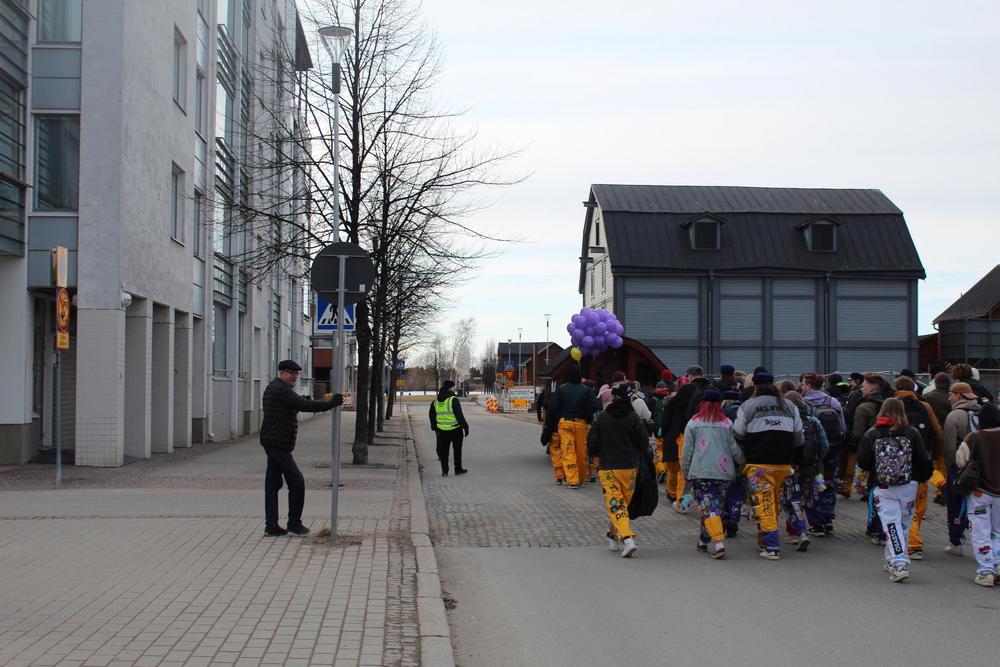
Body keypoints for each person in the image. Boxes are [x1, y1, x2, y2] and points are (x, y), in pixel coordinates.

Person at [260, 360, 343, 537]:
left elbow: (287, 408)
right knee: (297, 482)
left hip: (274, 441)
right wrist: (331, 403)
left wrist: (301, 402)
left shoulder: (274, 388)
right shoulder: (281, 390)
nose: (294, 377)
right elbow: (306, 406)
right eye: (291, 373)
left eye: (296, 374)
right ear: (282, 373)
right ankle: (294, 523)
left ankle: (271, 526)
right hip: (278, 444)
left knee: (272, 485)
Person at [857, 398, 933, 583]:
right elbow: (924, 459)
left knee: (891, 524)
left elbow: (863, 461)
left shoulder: (873, 433)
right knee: (903, 524)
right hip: (909, 484)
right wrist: (923, 477)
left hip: (883, 486)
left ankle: (899, 562)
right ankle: (892, 559)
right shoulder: (911, 432)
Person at [733, 372, 806, 560]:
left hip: (758, 464)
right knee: (774, 501)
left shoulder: (747, 406)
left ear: (755, 386)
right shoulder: (789, 406)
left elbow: (738, 433)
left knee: (765, 504)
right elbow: (799, 437)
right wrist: (796, 460)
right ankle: (768, 539)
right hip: (783, 464)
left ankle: (772, 546)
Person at [682, 388, 745, 559]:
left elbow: (687, 450)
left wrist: (685, 470)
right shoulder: (727, 424)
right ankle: (703, 541)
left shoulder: (694, 423)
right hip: (724, 473)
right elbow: (734, 449)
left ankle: (718, 543)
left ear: (702, 404)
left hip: (701, 472)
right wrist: (741, 463)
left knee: (709, 508)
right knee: (713, 507)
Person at [587, 384, 648, 558]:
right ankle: (613, 536)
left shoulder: (603, 417)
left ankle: (627, 538)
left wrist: (595, 455)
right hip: (630, 468)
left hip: (608, 467)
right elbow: (643, 440)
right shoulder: (633, 417)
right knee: (622, 505)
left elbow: (592, 440)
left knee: (616, 504)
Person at [892, 376, 944, 560]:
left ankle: (906, 542)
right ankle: (913, 540)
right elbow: (937, 432)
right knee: (917, 505)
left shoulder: (891, 405)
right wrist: (934, 456)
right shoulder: (925, 406)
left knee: (895, 505)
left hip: (895, 463)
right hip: (921, 461)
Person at [955, 403, 1000, 586]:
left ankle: (986, 570)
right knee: (998, 531)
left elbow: (960, 460)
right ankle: (998, 562)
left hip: (980, 492)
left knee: (981, 531)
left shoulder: (974, 437)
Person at [660, 365, 712, 511]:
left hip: (685, 433)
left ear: (690, 376)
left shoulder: (686, 390)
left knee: (684, 467)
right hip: (708, 434)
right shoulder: (711, 389)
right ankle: (704, 502)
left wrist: (665, 432)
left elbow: (671, 411)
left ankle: (682, 502)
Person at [799, 373, 845, 536]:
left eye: (803, 384)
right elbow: (842, 427)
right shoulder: (833, 401)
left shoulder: (804, 403)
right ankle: (828, 518)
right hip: (833, 448)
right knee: (829, 482)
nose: (802, 387)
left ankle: (816, 522)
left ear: (808, 385)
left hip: (814, 451)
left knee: (812, 483)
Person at [942, 381, 984, 555]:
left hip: (960, 465)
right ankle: (983, 541)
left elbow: (949, 446)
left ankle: (956, 540)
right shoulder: (981, 412)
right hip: (981, 466)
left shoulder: (954, 416)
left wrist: (950, 466)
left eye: (951, 394)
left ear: (959, 395)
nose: (949, 397)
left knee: (955, 502)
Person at [783, 391, 829, 546]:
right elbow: (824, 445)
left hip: (791, 467)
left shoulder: (786, 420)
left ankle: (795, 532)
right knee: (802, 499)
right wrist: (817, 460)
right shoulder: (813, 420)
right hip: (810, 468)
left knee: (789, 499)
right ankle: (802, 530)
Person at [544, 364, 601, 488]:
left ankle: (572, 480)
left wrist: (559, 415)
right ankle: (582, 478)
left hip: (565, 423)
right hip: (581, 424)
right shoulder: (586, 390)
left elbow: (552, 406)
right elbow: (596, 405)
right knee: (581, 452)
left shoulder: (562, 389)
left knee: (568, 451)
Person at [429, 380, 470, 476]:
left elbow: (431, 415)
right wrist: (466, 427)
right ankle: (458, 469)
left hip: (442, 430)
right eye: (453, 387)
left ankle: (445, 471)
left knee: (444, 452)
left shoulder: (435, 402)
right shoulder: (453, 400)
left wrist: (434, 427)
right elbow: (459, 415)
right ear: (450, 388)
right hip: (456, 429)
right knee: (457, 450)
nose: (455, 389)